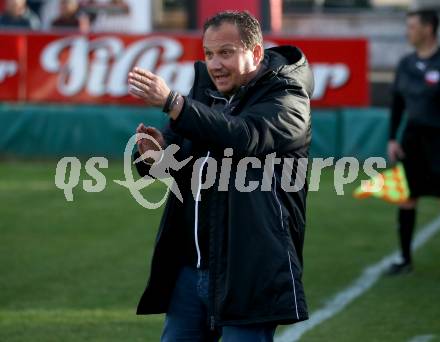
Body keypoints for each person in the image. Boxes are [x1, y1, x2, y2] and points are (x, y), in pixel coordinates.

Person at [128, 11, 313, 341]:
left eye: (225, 53)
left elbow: (243, 136)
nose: (214, 64)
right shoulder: (205, 91)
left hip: (249, 270)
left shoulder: (288, 97)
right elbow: (181, 165)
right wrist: (152, 154)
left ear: (255, 53)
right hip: (189, 268)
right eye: (209, 54)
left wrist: (174, 103)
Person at [387, 9, 440, 275]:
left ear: (428, 29)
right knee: (406, 197)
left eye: (412, 27)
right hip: (412, 139)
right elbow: (397, 104)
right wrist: (393, 138)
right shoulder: (406, 63)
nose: (408, 31)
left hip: (438, 141)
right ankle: (405, 259)